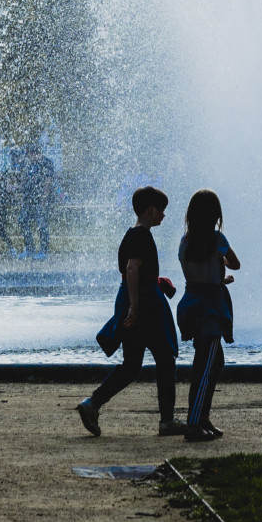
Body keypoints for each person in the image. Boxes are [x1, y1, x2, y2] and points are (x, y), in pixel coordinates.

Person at [77, 187, 183, 437]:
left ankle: (92, 403)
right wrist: (135, 307)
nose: (164, 216)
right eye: (161, 210)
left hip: (140, 301)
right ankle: (167, 420)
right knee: (165, 360)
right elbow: (132, 269)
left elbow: (135, 271)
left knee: (132, 365)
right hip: (146, 307)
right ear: (150, 210)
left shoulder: (132, 235)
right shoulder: (141, 235)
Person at [174, 189, 240, 442]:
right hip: (211, 309)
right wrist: (222, 264)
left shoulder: (186, 241)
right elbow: (236, 263)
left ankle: (202, 418)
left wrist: (216, 276)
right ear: (215, 215)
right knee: (205, 366)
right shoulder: (216, 239)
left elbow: (194, 272)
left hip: (192, 303)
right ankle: (194, 424)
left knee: (213, 362)